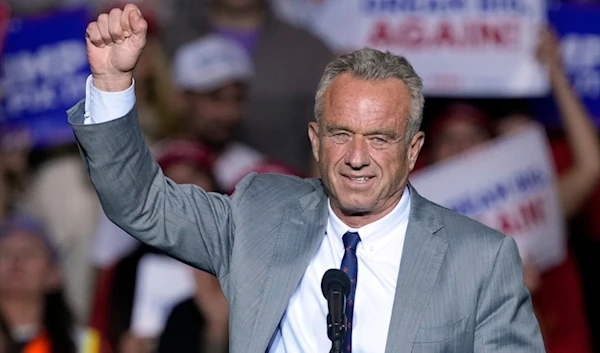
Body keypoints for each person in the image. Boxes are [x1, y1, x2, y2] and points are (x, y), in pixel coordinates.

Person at [72, 4, 545, 352]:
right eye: (342, 134)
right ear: (315, 141)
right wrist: (112, 87)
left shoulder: (479, 260)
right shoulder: (259, 214)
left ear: (413, 150)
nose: (357, 157)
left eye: (380, 138)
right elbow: (142, 204)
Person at [160, 0, 333, 175]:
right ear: (179, 98)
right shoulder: (167, 37)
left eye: (236, 98)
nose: (226, 113)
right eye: (214, 97)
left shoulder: (310, 51)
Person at [0, 215, 109, 353]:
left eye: (29, 253)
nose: (16, 260)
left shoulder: (85, 345)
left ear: (54, 275)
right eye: (5, 253)